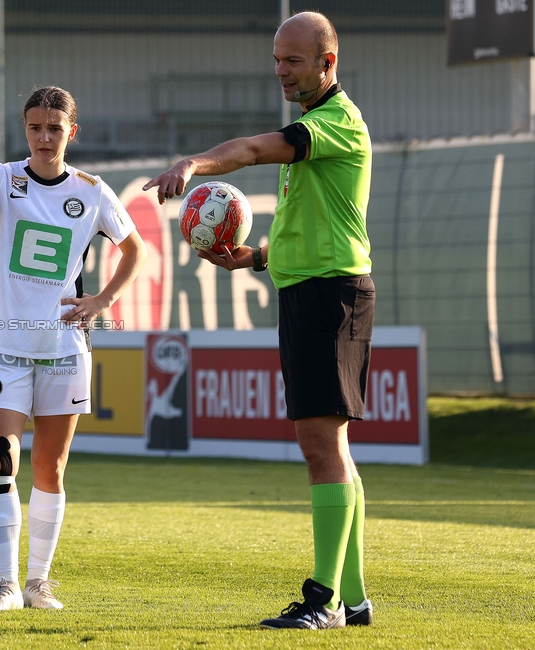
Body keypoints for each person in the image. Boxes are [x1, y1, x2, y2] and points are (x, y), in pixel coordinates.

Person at [144, 11, 374, 631]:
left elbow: (249, 150)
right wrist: (255, 257)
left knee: (319, 445)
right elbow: (316, 228)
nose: (280, 70)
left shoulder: (334, 123)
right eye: (276, 59)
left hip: (331, 297)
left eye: (292, 61)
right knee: (333, 447)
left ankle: (321, 599)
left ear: (328, 63)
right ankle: (353, 600)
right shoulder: (316, 128)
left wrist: (191, 164)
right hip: (312, 289)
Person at [0, 86, 147, 611]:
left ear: (72, 131)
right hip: (3, 346)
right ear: (25, 130)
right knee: (0, 459)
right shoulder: (3, 178)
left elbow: (134, 249)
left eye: (54, 128)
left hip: (65, 346)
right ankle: (4, 586)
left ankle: (38, 582)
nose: (43, 138)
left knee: (51, 467)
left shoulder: (92, 191)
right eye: (34, 128)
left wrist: (103, 299)